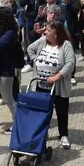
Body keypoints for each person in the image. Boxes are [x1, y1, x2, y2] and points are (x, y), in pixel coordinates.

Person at [27, 20, 77, 149]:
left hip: (58, 86)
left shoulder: (65, 45)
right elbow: (30, 49)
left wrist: (57, 76)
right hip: (40, 83)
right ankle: (43, 133)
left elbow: (70, 63)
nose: (45, 31)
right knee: (43, 110)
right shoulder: (42, 41)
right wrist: (36, 61)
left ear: (56, 33)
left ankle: (63, 135)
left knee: (61, 111)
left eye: (48, 30)